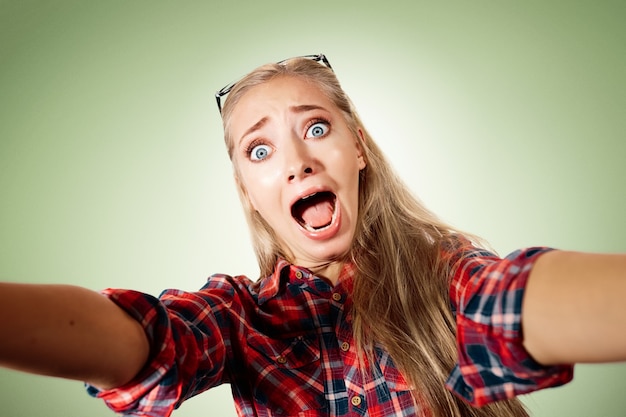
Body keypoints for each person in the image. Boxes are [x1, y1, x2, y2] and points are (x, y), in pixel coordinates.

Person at [0, 53, 625, 417]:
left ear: (358, 149)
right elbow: (145, 342)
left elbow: (509, 301)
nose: (296, 160)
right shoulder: (241, 319)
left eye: (317, 128)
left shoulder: (446, 272)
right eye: (260, 148)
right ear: (249, 189)